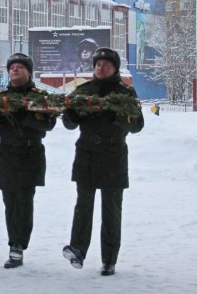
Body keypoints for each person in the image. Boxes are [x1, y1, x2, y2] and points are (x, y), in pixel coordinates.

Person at [61, 47, 144, 276]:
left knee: (111, 210)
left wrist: (116, 118)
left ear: (115, 68)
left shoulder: (125, 93)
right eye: (97, 64)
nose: (100, 67)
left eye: (105, 64)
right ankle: (77, 249)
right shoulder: (83, 91)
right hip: (86, 153)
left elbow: (137, 125)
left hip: (113, 154)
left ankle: (109, 260)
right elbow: (68, 124)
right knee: (83, 206)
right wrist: (73, 114)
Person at [0, 53, 57, 269]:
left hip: (31, 152)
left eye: (19, 67)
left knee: (24, 200)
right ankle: (15, 242)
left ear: (29, 72)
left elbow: (48, 125)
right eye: (12, 67)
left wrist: (25, 115)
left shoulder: (39, 96)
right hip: (6, 153)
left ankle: (17, 246)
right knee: (10, 201)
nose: (15, 70)